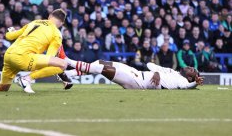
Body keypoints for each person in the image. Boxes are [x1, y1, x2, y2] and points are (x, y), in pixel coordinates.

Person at [59, 49, 203, 90]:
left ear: (190, 77)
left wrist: (195, 83)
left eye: (192, 70)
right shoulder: (173, 72)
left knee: (98, 67)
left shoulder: (182, 82)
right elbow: (150, 66)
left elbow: (188, 87)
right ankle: (68, 74)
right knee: (99, 62)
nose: (189, 67)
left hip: (137, 83)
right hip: (135, 72)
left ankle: (67, 61)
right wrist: (158, 72)